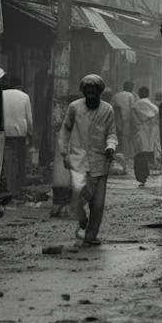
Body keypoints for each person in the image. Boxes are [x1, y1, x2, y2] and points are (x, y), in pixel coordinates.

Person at [58, 74, 117, 245]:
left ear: (100, 92)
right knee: (78, 196)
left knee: (98, 204)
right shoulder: (74, 108)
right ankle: (82, 220)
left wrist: (111, 146)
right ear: (83, 92)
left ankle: (91, 236)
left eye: (94, 93)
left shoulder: (108, 110)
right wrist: (64, 151)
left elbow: (112, 133)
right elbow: (65, 130)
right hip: (78, 160)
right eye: (88, 92)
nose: (91, 95)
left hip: (100, 161)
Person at [2, 78, 33, 196]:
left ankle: (9, 188)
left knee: (8, 160)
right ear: (20, 86)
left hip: (6, 132)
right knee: (20, 161)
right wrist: (31, 134)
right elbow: (29, 118)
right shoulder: (24, 97)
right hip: (20, 134)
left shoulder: (2, 95)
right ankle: (18, 188)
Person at [131, 86, 159, 186]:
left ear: (139, 94)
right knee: (147, 154)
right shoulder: (153, 107)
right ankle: (145, 175)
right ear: (148, 94)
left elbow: (134, 121)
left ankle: (141, 177)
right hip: (151, 134)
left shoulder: (135, 106)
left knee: (139, 155)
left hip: (139, 133)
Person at [111, 80, 136, 172]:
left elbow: (112, 107)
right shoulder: (131, 95)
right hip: (127, 120)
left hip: (117, 120)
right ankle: (126, 158)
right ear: (130, 87)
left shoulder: (116, 95)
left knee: (119, 139)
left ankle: (119, 158)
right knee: (127, 139)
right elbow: (133, 109)